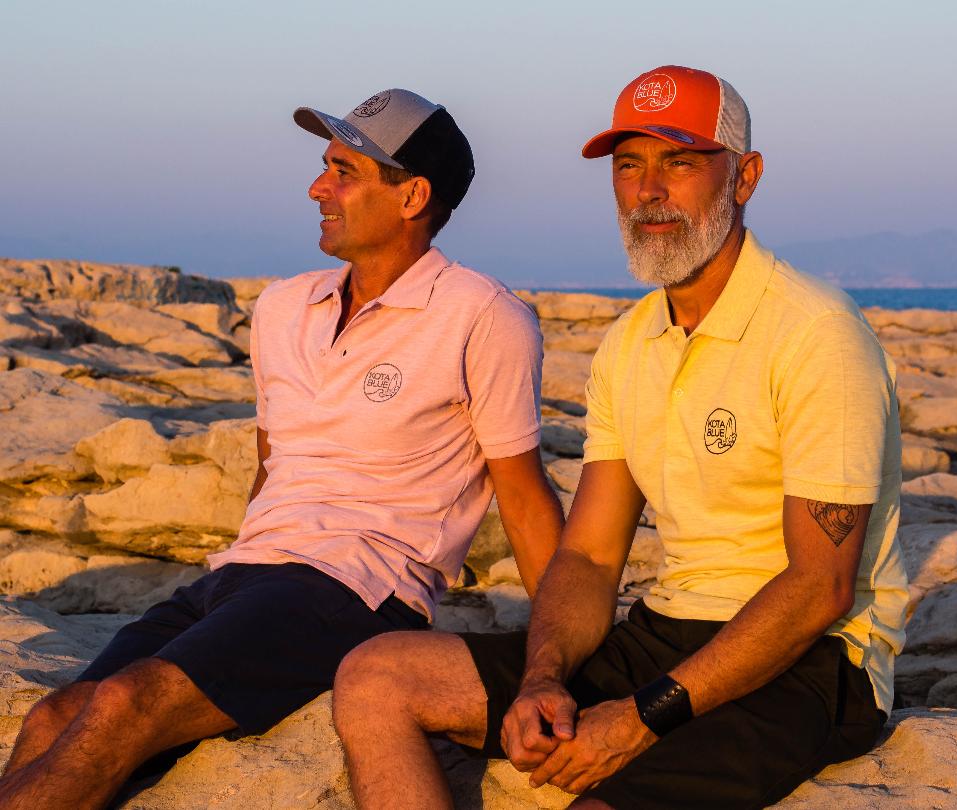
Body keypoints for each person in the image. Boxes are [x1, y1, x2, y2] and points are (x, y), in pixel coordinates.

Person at [331, 66, 909, 809]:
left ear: (745, 176)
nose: (649, 191)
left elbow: (818, 588)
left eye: (680, 162)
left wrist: (640, 720)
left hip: (811, 660)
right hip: (668, 630)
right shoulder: (630, 344)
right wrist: (543, 676)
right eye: (629, 166)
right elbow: (590, 555)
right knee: (376, 676)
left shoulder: (817, 334)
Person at [0, 88, 564, 809]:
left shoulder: (484, 316)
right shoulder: (282, 307)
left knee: (122, 709)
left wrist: (566, 659)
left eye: (345, 171)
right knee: (56, 715)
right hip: (243, 573)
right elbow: (274, 468)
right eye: (324, 167)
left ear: (412, 195)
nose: (317, 187)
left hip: (358, 589)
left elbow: (523, 495)